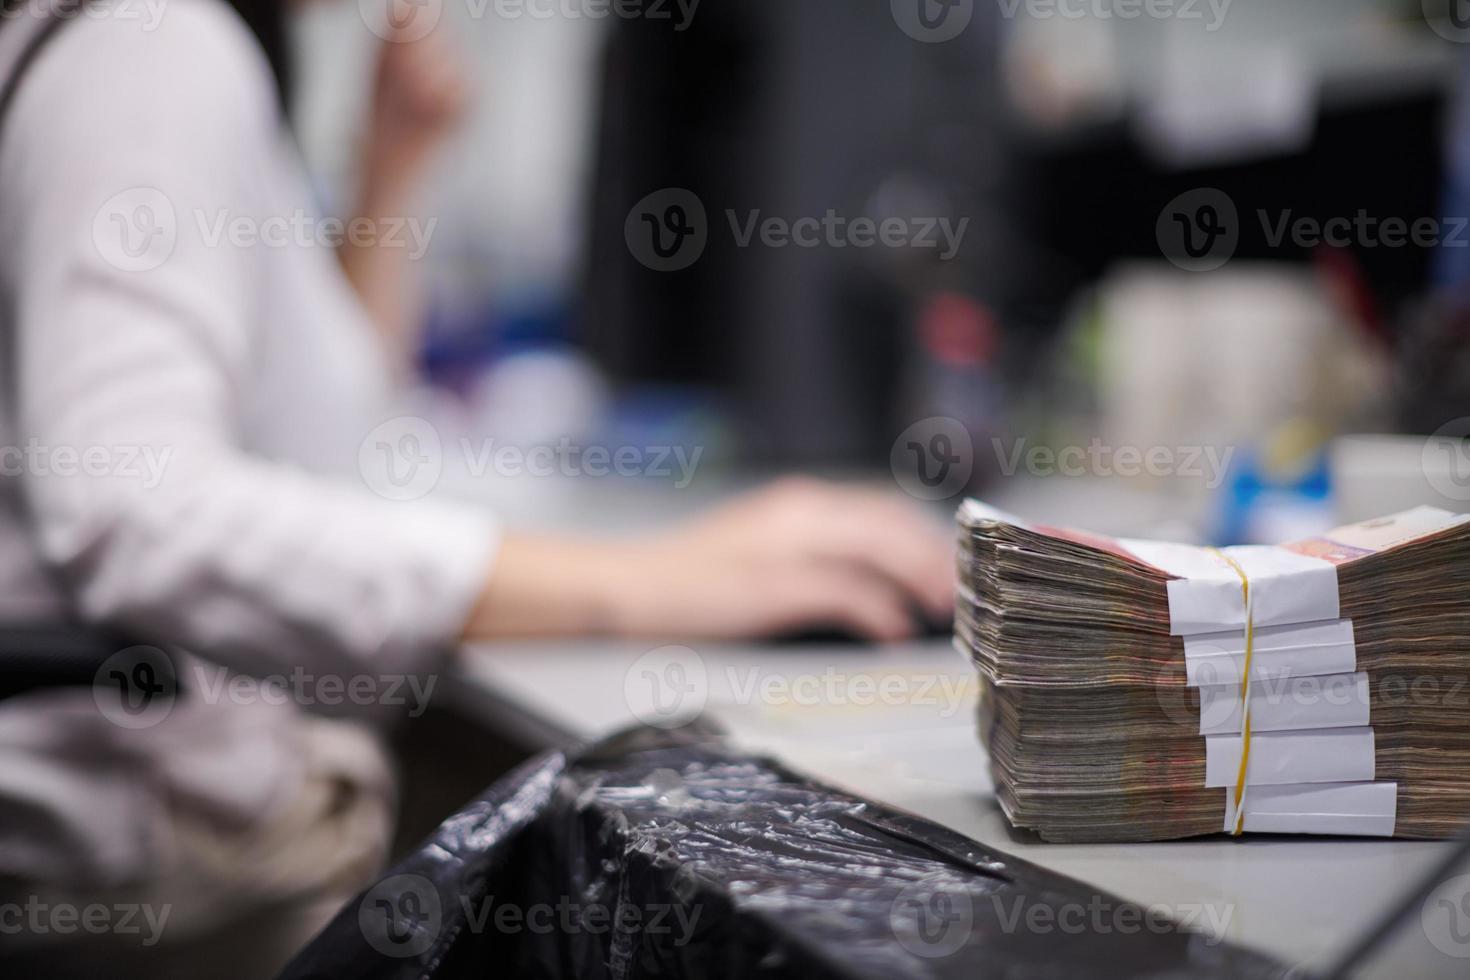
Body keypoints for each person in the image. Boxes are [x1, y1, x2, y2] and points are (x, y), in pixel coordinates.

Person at [0, 0, 954, 975]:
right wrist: (641, 579)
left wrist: (394, 164)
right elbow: (134, 510)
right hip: (148, 874)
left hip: (167, 837)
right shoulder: (151, 44)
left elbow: (312, 452)